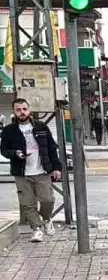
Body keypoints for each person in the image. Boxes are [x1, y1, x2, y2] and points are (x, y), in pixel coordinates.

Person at [0, 98, 62, 242]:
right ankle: (36, 229)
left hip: (42, 171)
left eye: (24, 109)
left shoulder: (41, 126)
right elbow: (3, 150)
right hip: (22, 173)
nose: (22, 112)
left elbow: (52, 148)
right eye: (18, 110)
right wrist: (15, 153)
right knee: (28, 204)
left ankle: (47, 219)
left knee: (47, 200)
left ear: (29, 110)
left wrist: (56, 168)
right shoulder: (9, 130)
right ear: (14, 112)